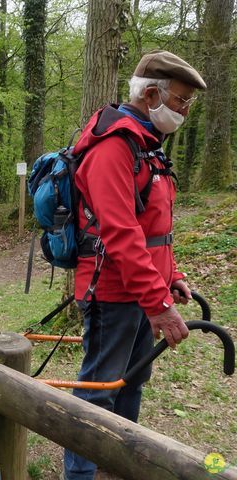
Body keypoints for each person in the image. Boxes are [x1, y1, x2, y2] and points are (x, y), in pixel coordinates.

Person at [62, 50, 206, 480]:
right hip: (112, 290)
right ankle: (80, 474)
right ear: (149, 94)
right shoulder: (113, 148)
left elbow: (155, 227)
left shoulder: (148, 146)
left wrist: (171, 278)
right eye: (180, 101)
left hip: (144, 291)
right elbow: (121, 234)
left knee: (132, 380)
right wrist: (158, 303)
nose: (183, 111)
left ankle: (120, 459)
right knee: (99, 388)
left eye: (187, 104)